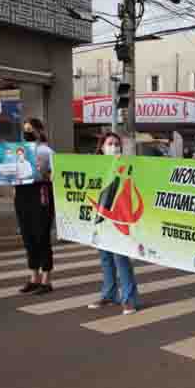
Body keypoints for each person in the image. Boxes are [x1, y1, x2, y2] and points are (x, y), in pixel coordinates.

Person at [88, 133, 139, 315]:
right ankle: (109, 294)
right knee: (106, 258)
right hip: (101, 218)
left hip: (118, 218)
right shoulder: (93, 166)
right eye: (110, 144)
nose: (114, 147)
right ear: (102, 147)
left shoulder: (126, 165)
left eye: (117, 144)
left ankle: (129, 300)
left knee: (120, 258)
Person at [15, 118, 55, 295]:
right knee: (28, 236)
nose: (27, 132)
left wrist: (44, 172)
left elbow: (56, 176)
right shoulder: (17, 151)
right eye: (25, 129)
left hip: (41, 193)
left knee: (41, 236)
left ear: (40, 131)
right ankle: (33, 277)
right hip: (22, 194)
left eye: (30, 129)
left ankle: (46, 279)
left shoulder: (47, 151)